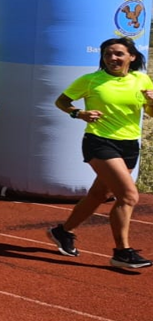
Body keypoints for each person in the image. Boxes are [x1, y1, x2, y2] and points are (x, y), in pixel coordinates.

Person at [48, 37, 153, 269]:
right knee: (128, 196)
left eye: (118, 54)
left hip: (129, 144)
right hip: (99, 142)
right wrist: (78, 113)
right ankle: (122, 252)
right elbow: (61, 101)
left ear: (131, 57)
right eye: (107, 54)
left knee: (98, 195)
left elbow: (151, 113)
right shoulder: (91, 80)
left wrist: (152, 102)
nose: (112, 58)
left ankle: (63, 231)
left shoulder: (142, 79)